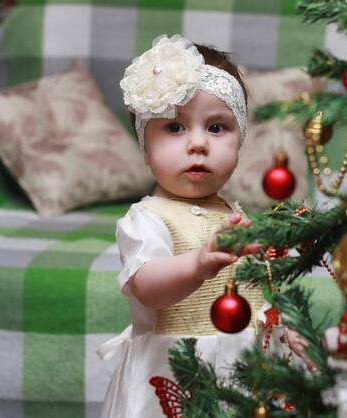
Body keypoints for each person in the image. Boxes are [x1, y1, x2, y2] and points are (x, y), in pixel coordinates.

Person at [97, 34, 305, 418]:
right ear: (144, 146)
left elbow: (258, 292)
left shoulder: (236, 216)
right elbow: (148, 287)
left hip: (245, 376)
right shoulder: (148, 218)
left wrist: (287, 330)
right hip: (175, 374)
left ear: (240, 141)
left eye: (216, 127)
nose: (198, 144)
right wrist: (198, 264)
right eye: (175, 128)